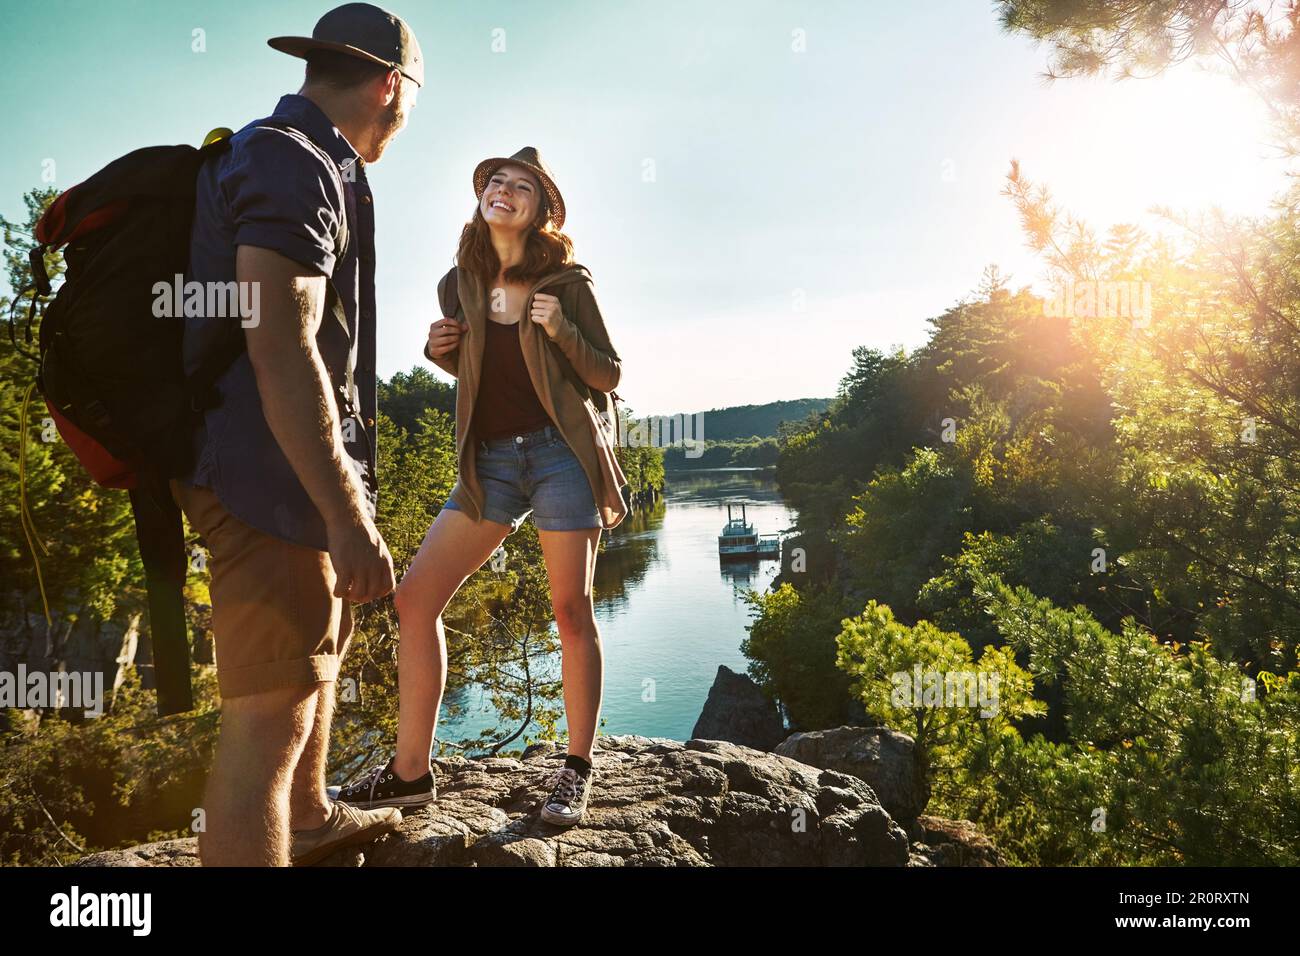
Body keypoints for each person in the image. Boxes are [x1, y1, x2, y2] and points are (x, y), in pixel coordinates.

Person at [170, 2, 422, 866]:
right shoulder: (293, 162)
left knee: (320, 648)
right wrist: (348, 516)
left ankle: (310, 819)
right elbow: (280, 339)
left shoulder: (300, 158)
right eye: (410, 100)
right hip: (259, 472)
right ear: (390, 85)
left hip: (276, 470)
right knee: (268, 713)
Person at [332, 147, 630, 827]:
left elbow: (608, 374)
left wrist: (559, 329)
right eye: (497, 181)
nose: (505, 190)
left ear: (540, 209)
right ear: (483, 197)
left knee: (570, 611)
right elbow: (477, 370)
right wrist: (442, 356)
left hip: (560, 458)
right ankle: (410, 775)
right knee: (414, 600)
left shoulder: (567, 281)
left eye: (521, 186)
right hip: (488, 464)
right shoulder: (456, 282)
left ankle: (577, 771)